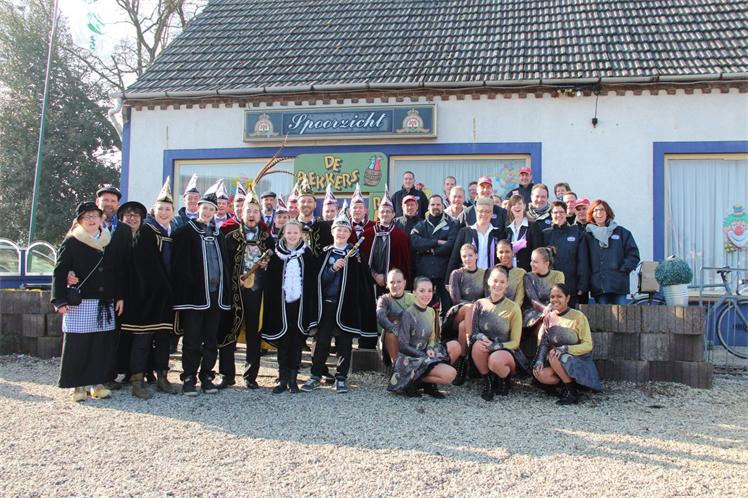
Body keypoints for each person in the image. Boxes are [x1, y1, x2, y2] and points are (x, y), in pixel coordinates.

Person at [52, 202, 125, 402]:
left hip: (104, 301)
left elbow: (116, 271)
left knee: (101, 344)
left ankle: (97, 383)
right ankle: (77, 385)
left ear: (101, 218)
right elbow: (59, 271)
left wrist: (119, 296)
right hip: (80, 301)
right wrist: (59, 300)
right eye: (87, 217)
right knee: (78, 345)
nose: (92, 220)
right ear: (80, 221)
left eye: (95, 216)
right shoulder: (72, 241)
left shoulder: (108, 240)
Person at [302, 204, 377, 393]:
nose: (341, 233)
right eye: (338, 229)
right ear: (332, 231)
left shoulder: (356, 256)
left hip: (347, 306)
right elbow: (318, 281)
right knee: (321, 341)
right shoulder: (325, 253)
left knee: (345, 342)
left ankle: (341, 377)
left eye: (345, 230)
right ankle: (315, 375)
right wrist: (332, 269)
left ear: (349, 233)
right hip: (327, 305)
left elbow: (362, 284)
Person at [119, 182, 179, 398]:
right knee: (142, 338)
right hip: (146, 295)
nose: (164, 212)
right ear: (154, 211)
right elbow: (145, 266)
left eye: (168, 209)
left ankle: (162, 377)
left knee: (163, 337)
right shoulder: (146, 231)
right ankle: (137, 380)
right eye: (160, 208)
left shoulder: (173, 232)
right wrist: (160, 287)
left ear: (173, 212)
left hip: (166, 296)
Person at [171, 181, 231, 395]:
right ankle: (189, 377)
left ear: (215, 212)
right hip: (194, 297)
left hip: (215, 296)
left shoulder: (218, 235)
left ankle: (207, 376)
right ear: (198, 208)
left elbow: (225, 265)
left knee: (211, 340)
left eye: (211, 209)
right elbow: (178, 265)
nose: (207, 212)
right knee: (192, 339)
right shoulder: (184, 232)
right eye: (204, 208)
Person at [217, 188, 274, 390]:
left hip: (257, 294)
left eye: (255, 211)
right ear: (241, 213)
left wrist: (267, 267)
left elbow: (275, 267)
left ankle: (251, 376)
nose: (251, 215)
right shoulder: (230, 237)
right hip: (234, 292)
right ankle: (227, 375)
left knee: (253, 333)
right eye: (248, 211)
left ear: (260, 215)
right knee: (229, 332)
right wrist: (234, 280)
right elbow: (223, 266)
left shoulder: (267, 239)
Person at [261, 220, 318, 394]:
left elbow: (312, 281)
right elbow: (270, 281)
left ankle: (293, 380)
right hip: (281, 305)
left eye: (295, 233)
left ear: (300, 234)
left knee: (297, 342)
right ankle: (282, 379)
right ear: (283, 234)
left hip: (300, 306)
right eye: (289, 232)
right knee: (284, 343)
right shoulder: (275, 254)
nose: (292, 236)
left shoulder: (307, 253)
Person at [387, 277, 460, 398]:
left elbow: (432, 337)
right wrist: (423, 355)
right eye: (422, 291)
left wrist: (430, 348)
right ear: (414, 292)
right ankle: (410, 381)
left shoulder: (431, 311)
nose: (426, 294)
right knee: (450, 374)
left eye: (429, 291)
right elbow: (403, 346)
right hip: (411, 358)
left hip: (425, 352)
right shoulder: (407, 314)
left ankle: (428, 384)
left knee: (455, 346)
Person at [533, 283, 602, 404]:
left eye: (559, 296)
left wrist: (565, 349)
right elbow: (545, 342)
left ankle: (572, 393)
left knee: (555, 355)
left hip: (578, 361)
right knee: (541, 374)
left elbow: (588, 345)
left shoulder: (578, 316)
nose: (555, 299)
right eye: (552, 296)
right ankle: (566, 385)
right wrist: (539, 360)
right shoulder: (548, 317)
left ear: (568, 298)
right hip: (558, 360)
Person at [469, 266, 528, 400]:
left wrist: (496, 346)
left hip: (505, 349)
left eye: (502, 282)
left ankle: (504, 378)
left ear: (507, 284)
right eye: (495, 281)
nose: (498, 285)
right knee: (477, 345)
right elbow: (474, 333)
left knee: (495, 360)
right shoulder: (479, 304)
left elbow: (515, 342)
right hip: (486, 346)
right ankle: (488, 382)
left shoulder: (513, 308)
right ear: (489, 281)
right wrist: (481, 336)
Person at [95, 185, 132, 389]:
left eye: (113, 201)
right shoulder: (87, 225)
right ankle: (88, 375)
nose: (109, 204)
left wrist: (122, 296)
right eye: (105, 200)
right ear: (98, 202)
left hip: (114, 290)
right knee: (91, 335)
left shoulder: (124, 230)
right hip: (90, 290)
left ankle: (107, 375)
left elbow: (126, 265)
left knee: (112, 335)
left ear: (117, 204)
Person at [443, 244, 487, 385]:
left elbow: (487, 298)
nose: (467, 259)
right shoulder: (456, 274)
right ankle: (472, 342)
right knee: (468, 308)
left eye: (470, 255)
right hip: (458, 313)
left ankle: (463, 364)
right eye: (464, 256)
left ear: (476, 255)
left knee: (463, 327)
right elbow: (456, 299)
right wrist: (474, 306)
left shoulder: (485, 273)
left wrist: (477, 308)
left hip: (477, 316)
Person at [361, 185, 411, 303]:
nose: (385, 214)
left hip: (393, 283)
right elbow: (362, 259)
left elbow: (404, 263)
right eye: (382, 211)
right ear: (378, 214)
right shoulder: (366, 235)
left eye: (388, 212)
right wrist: (375, 275)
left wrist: (387, 276)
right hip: (371, 281)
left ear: (393, 214)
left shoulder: (401, 236)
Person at [411, 194, 457, 318]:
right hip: (424, 273)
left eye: (438, 204)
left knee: (447, 310)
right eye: (432, 204)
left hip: (444, 274)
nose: (435, 207)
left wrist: (430, 250)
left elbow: (451, 245)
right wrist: (436, 242)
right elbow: (414, 242)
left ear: (443, 206)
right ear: (428, 207)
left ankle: (445, 331)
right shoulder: (421, 225)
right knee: (423, 309)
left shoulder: (452, 224)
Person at [585, 199, 640, 304]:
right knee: (603, 314)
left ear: (608, 213)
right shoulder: (588, 235)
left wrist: (623, 270)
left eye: (602, 210)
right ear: (592, 214)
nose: (599, 213)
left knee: (621, 314)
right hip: (599, 286)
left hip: (619, 285)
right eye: (595, 210)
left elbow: (633, 255)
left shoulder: (622, 233)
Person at [543, 201, 589, 307]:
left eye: (561, 212)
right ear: (551, 215)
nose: (558, 215)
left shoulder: (577, 233)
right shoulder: (545, 234)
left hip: (571, 286)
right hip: (550, 287)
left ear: (566, 213)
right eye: (555, 212)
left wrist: (582, 285)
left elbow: (582, 260)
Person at [521, 247, 565, 358]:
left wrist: (550, 307)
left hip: (554, 310)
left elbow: (558, 297)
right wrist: (546, 309)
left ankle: (546, 359)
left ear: (546, 263)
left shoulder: (558, 275)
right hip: (535, 314)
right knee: (545, 326)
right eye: (531, 260)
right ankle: (541, 359)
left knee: (551, 325)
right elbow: (533, 300)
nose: (531, 264)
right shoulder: (528, 276)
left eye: (535, 261)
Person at [446, 197, 503, 278]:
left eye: (487, 211)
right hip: (469, 278)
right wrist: (448, 280)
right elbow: (455, 257)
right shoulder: (465, 232)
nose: (484, 214)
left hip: (491, 279)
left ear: (491, 213)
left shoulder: (498, 233)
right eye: (481, 211)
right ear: (476, 212)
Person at [376, 268, 416, 365]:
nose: (395, 285)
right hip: (392, 339)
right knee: (391, 333)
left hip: (412, 338)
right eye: (392, 282)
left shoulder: (414, 299)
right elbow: (381, 316)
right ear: (387, 284)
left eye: (399, 282)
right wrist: (396, 329)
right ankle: (396, 366)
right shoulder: (384, 300)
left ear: (404, 283)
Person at [505, 194, 543, 272]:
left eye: (519, 203)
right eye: (514, 204)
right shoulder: (507, 227)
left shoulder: (533, 226)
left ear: (524, 206)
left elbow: (538, 249)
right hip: (509, 271)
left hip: (527, 270)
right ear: (510, 208)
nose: (517, 206)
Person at [297, 180, 333, 256]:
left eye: (310, 201)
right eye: (303, 201)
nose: (306, 204)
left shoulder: (325, 227)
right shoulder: (288, 226)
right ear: (297, 205)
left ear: (315, 204)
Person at [496, 239, 526, 307]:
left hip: (514, 310)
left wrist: (512, 311)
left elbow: (519, 300)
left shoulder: (520, 273)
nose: (504, 255)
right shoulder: (491, 272)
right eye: (501, 252)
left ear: (513, 253)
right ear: (497, 254)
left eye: (507, 252)